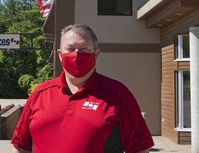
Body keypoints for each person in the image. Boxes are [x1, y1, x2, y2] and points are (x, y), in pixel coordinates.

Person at [11, 24, 154, 153]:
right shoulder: (40, 94)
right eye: (71, 49)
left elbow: (140, 149)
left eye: (84, 49)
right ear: (60, 55)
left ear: (96, 54)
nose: (77, 55)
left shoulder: (118, 94)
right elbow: (19, 147)